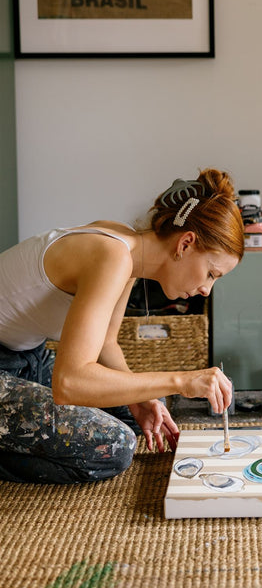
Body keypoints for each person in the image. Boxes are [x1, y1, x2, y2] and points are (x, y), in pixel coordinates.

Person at [0, 168, 244, 484]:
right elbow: (70, 382)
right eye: (212, 274)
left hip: (25, 357)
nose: (206, 290)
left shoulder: (128, 251)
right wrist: (181, 380)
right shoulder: (112, 256)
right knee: (115, 446)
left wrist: (140, 399)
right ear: (186, 243)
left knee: (144, 409)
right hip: (9, 361)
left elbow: (105, 344)